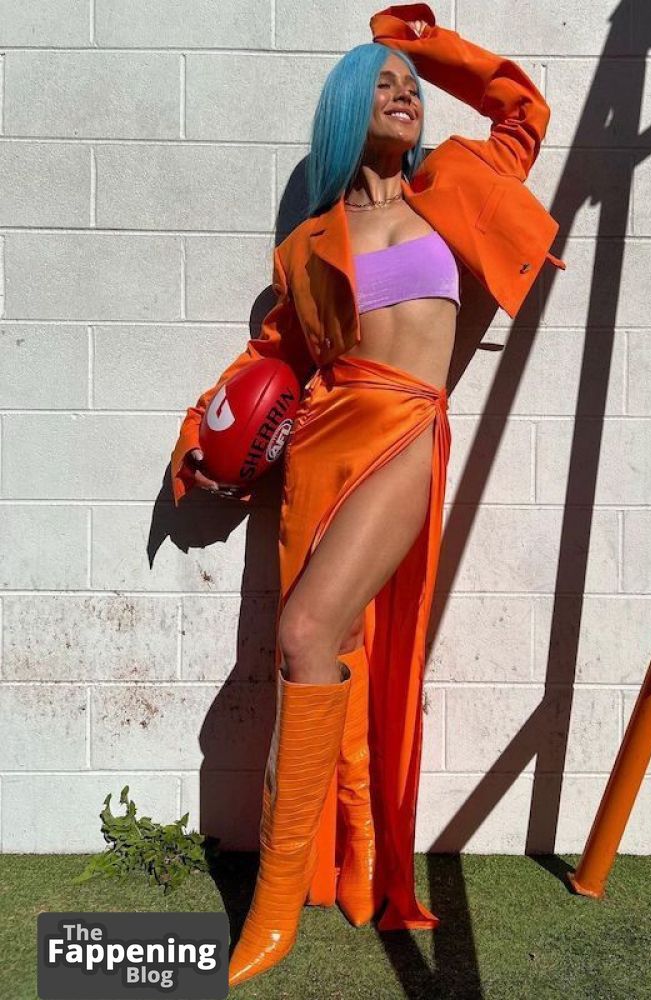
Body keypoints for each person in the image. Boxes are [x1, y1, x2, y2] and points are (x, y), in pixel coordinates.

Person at [168, 2, 564, 989]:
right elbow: (271, 357)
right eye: (380, 84)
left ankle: (270, 911)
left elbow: (523, 110)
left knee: (304, 633)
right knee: (326, 647)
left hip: (405, 429)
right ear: (346, 110)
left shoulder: (456, 184)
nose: (401, 95)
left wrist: (418, 42)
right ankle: (350, 867)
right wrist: (200, 445)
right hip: (323, 441)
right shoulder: (308, 244)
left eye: (408, 88)